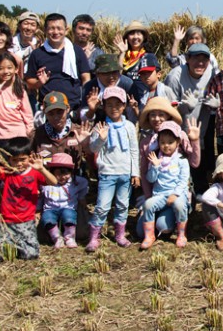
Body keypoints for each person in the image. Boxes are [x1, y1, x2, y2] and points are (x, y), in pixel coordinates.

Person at [135, 97, 201, 242]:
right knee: (140, 232)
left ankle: (179, 222)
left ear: (168, 116)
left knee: (163, 227)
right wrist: (148, 198)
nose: (157, 119)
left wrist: (194, 140)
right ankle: (151, 228)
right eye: (152, 114)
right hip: (158, 193)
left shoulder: (180, 136)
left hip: (177, 191)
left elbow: (194, 163)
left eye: (161, 114)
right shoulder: (146, 143)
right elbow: (145, 174)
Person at [86, 86, 140, 251]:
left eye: (118, 104)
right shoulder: (100, 126)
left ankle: (119, 234)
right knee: (102, 205)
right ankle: (94, 237)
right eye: (109, 105)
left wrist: (135, 173)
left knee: (123, 204)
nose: (114, 108)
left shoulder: (129, 126)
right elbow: (93, 149)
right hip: (108, 173)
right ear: (104, 106)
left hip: (125, 173)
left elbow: (134, 150)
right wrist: (101, 139)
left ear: (124, 106)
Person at [0, 139, 57, 262]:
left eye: (22, 160)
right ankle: (11, 246)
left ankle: (19, 246)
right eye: (14, 160)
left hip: (26, 220)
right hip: (6, 220)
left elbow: (54, 181)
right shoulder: (8, 171)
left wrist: (41, 169)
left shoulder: (35, 173)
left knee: (31, 255)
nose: (19, 164)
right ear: (9, 159)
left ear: (30, 157)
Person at [163, 43, 218, 191]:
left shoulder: (211, 74)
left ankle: (199, 191)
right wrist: (185, 107)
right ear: (187, 59)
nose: (200, 63)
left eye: (204, 59)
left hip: (200, 130)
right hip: (179, 132)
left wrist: (217, 106)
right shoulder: (175, 76)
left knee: (198, 164)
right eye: (196, 58)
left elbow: (218, 95)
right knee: (179, 167)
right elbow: (168, 108)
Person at [25, 13, 91, 115]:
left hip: (73, 108)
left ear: (66, 29)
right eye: (51, 28)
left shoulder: (76, 51)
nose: (56, 32)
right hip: (48, 109)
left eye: (59, 28)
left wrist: (83, 103)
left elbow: (86, 78)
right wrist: (40, 83)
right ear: (45, 30)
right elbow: (29, 81)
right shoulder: (37, 54)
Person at [139, 121, 191, 249]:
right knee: (148, 205)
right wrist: (155, 167)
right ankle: (149, 235)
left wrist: (176, 194)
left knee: (179, 205)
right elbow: (150, 179)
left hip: (177, 194)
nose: (166, 146)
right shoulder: (156, 159)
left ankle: (181, 234)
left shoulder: (182, 160)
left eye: (170, 142)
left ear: (177, 142)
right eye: (162, 142)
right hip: (160, 194)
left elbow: (183, 180)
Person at [0, 51, 34, 152]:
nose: (6, 71)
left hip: (19, 135)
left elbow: (27, 114)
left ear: (16, 69)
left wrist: (29, 131)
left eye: (9, 68)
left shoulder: (20, 89)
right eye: (0, 68)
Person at [38, 153, 88, 249]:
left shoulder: (76, 182)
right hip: (50, 208)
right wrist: (38, 209)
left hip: (67, 207)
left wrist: (82, 198)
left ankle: (69, 238)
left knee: (69, 216)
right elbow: (40, 197)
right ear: (52, 172)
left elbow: (84, 185)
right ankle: (57, 238)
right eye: (59, 174)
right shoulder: (46, 183)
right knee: (47, 218)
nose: (63, 177)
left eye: (66, 174)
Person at [32, 91, 93, 166]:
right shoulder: (36, 135)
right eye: (51, 113)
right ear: (44, 112)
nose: (56, 117)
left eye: (59, 112)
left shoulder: (80, 132)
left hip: (73, 176)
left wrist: (86, 147)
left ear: (67, 109)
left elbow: (92, 166)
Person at [81, 54, 143, 122]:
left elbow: (138, 111)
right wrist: (91, 111)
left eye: (114, 72)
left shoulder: (128, 84)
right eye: (106, 73)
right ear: (97, 74)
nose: (111, 77)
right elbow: (82, 117)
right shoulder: (89, 87)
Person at [71, 14, 103, 81]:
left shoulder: (97, 53)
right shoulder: (67, 50)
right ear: (73, 30)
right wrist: (83, 59)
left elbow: (102, 75)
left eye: (88, 30)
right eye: (81, 28)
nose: (84, 33)